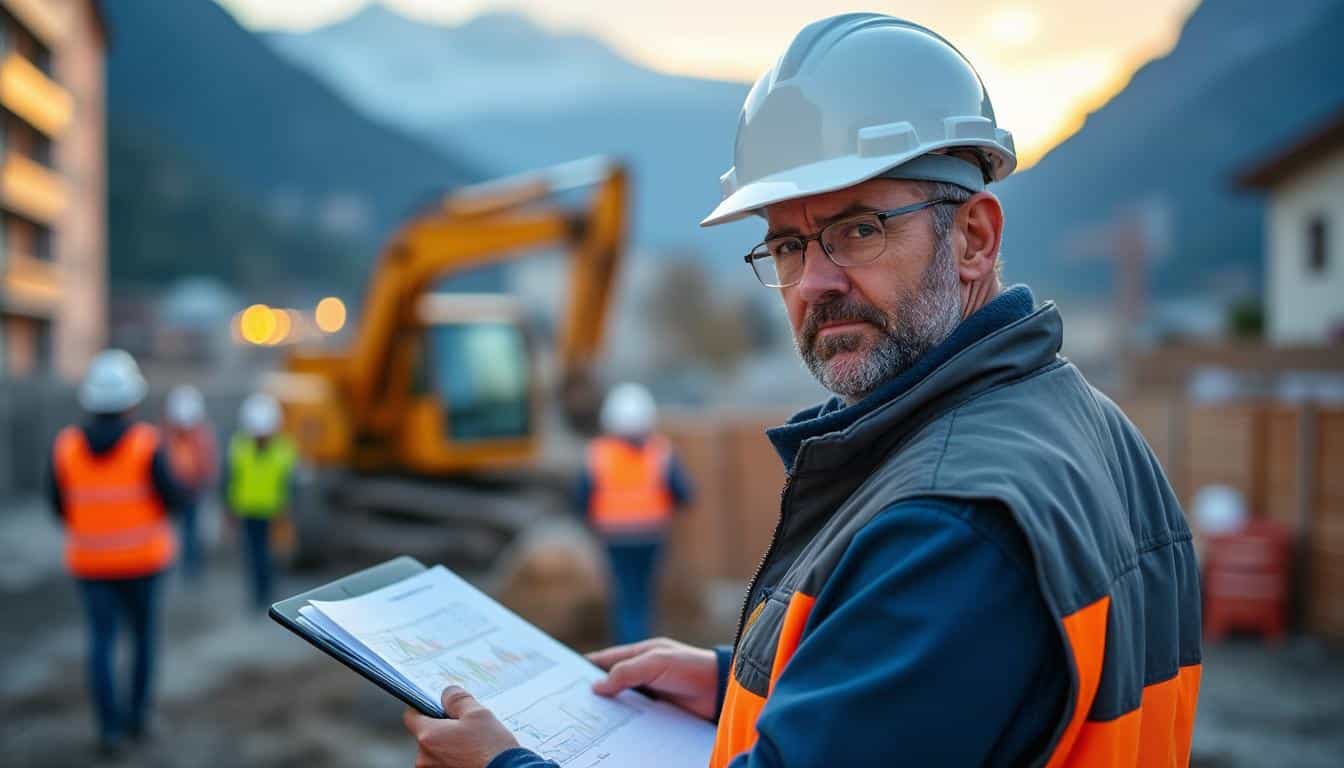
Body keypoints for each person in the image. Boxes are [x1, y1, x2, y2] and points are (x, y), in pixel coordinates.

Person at [402, 14, 1202, 767]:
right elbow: (947, 700)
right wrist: (734, 683)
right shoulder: (1086, 424)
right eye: (787, 245)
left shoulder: (950, 521)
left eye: (859, 229)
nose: (814, 282)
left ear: (974, 237)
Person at [48, 349, 187, 757]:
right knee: (143, 641)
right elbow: (174, 499)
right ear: (132, 400)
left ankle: (109, 729)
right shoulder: (147, 445)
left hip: (91, 566)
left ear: (90, 400)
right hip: (144, 564)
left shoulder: (67, 447)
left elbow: (59, 506)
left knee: (101, 645)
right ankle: (139, 718)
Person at [580, 383, 694, 644]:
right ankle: (642, 647)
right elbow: (684, 492)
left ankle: (628, 648)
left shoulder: (598, 453)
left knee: (625, 595)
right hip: (651, 535)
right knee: (643, 595)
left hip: (614, 537)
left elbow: (582, 495)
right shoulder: (660, 452)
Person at [224, 392, 296, 611]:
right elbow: (231, 480)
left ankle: (268, 594)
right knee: (254, 556)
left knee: (270, 555)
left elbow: (289, 485)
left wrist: (287, 511)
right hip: (248, 510)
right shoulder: (240, 448)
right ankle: (258, 596)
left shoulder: (284, 450)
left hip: (273, 512)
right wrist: (229, 510)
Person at [163, 385, 218, 583]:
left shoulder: (200, 436)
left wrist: (203, 481)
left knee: (191, 530)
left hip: (193, 490)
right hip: (176, 489)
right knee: (179, 530)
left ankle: (191, 567)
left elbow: (206, 462)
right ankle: (182, 566)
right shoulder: (169, 437)